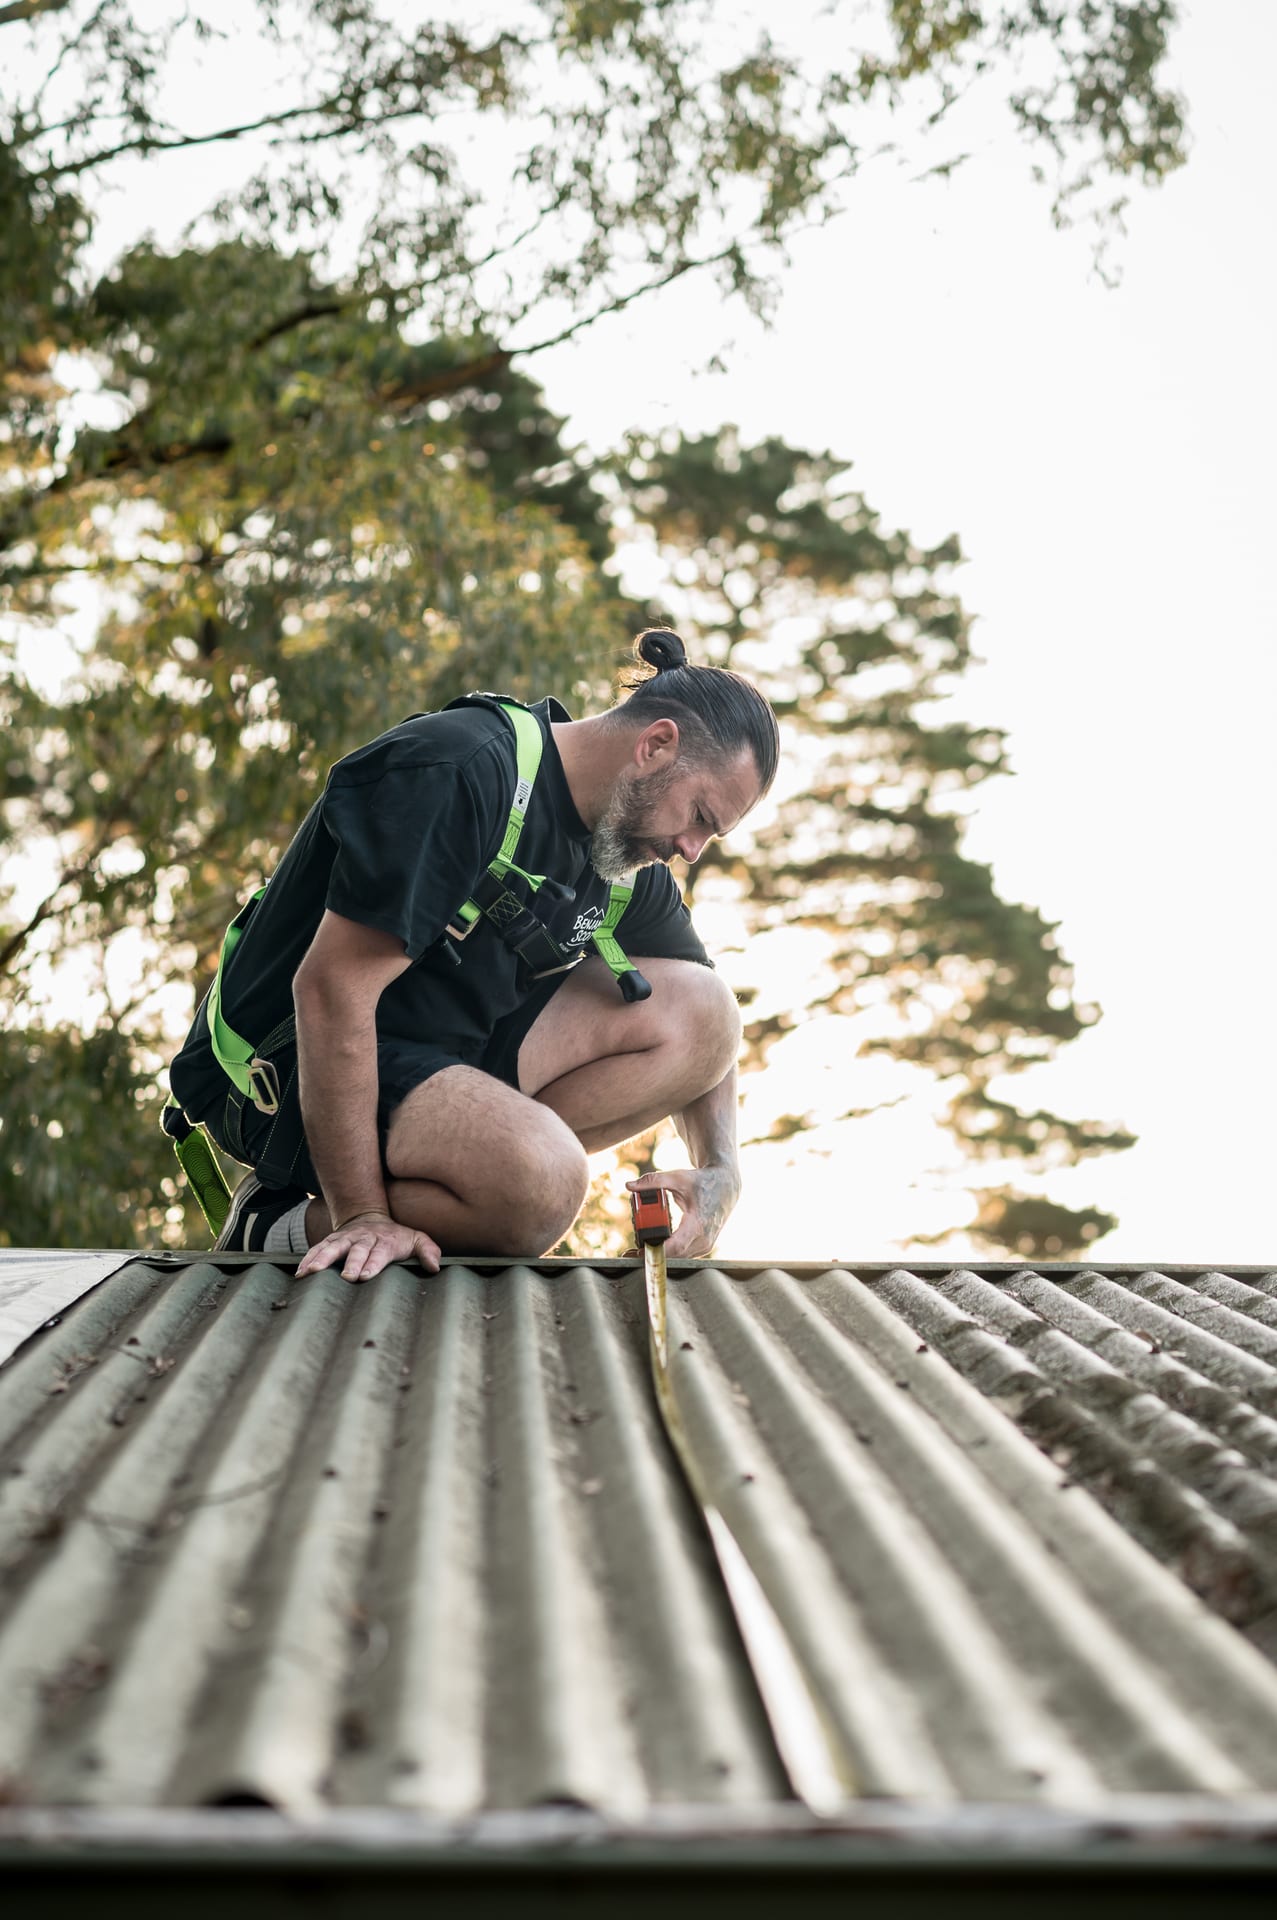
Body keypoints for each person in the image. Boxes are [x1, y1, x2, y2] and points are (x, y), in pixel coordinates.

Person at [167, 628, 779, 1280]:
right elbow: (330, 989)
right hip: (282, 1072)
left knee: (707, 1010)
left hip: (442, 1064)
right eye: (700, 817)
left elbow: (708, 1034)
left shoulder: (621, 858)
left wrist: (722, 1171)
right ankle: (280, 1224)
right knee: (542, 1186)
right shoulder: (460, 770)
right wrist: (360, 1215)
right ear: (656, 745)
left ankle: (484, 1170)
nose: (691, 849)